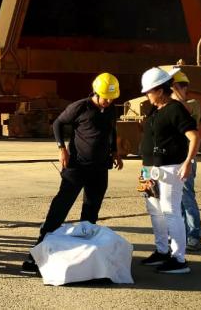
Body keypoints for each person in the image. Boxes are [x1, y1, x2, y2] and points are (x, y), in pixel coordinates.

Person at [21, 72, 124, 274]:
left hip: (100, 169)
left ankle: (84, 255)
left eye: (112, 98)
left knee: (91, 211)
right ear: (96, 92)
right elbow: (57, 123)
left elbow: (111, 130)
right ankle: (37, 253)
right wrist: (62, 149)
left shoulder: (110, 110)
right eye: (106, 98)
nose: (109, 101)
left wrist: (114, 152)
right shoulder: (80, 107)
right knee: (60, 207)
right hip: (76, 167)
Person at [139, 67, 200, 274]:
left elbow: (194, 137)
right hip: (148, 169)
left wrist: (188, 162)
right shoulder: (154, 109)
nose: (147, 96)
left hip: (170, 168)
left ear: (160, 90)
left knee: (171, 211)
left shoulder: (175, 109)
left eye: (149, 91)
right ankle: (161, 251)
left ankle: (179, 259)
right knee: (154, 211)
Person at [171, 70, 201, 251]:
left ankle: (194, 235)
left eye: (183, 86)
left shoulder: (193, 104)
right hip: (173, 159)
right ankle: (181, 233)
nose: (183, 89)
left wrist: (174, 92)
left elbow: (184, 111)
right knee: (176, 200)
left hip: (187, 159)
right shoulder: (170, 106)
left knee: (187, 197)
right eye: (179, 86)